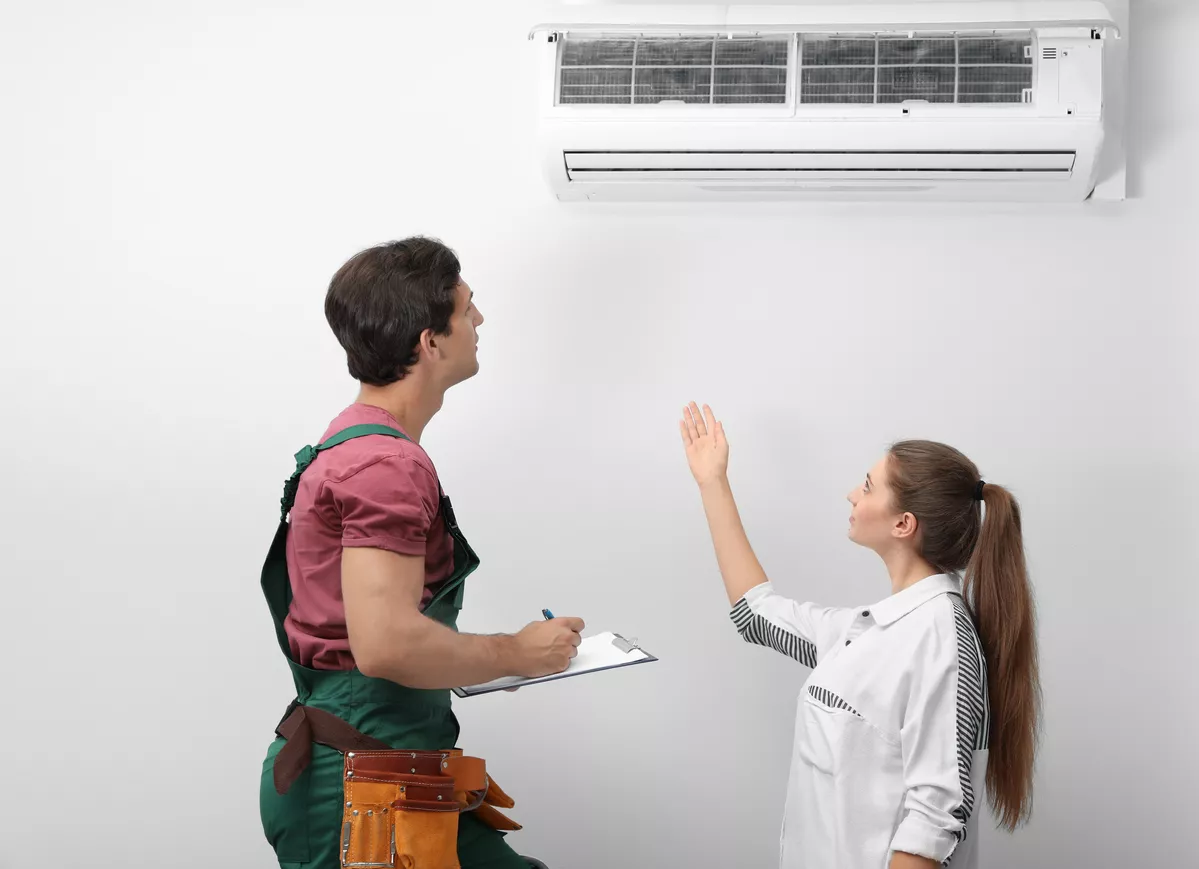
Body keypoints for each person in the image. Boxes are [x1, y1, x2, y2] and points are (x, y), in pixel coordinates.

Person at [258, 237, 583, 869]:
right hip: (358, 791)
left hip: (385, 771)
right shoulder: (385, 465)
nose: (480, 321)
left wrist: (497, 663)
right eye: (467, 309)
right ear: (429, 342)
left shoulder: (349, 444)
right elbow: (387, 646)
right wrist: (513, 652)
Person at [679, 402, 1041, 869]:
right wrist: (713, 482)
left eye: (868, 486)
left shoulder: (942, 640)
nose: (852, 494)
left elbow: (933, 822)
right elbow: (757, 615)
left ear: (903, 524)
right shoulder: (868, 631)